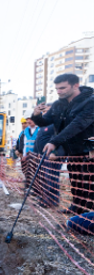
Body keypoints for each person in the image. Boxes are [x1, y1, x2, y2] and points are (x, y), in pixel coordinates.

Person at [31, 74, 94, 214]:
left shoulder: (90, 102)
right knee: (76, 182)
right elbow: (44, 122)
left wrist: (54, 142)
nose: (59, 91)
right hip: (72, 151)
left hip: (89, 150)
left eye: (63, 88)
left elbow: (77, 125)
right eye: (57, 89)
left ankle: (87, 217)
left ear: (75, 85)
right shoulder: (58, 105)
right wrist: (36, 115)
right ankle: (76, 208)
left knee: (89, 183)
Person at [33, 124, 63, 207]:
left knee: (51, 178)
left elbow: (60, 139)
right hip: (44, 156)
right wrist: (36, 154)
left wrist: (56, 153)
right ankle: (46, 198)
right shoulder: (43, 126)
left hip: (52, 156)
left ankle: (52, 200)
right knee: (45, 178)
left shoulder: (56, 123)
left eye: (45, 110)